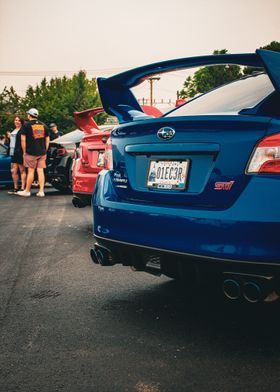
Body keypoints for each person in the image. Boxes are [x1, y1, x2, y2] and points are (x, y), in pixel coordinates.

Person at [17, 108, 50, 197]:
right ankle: (41, 191)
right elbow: (47, 140)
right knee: (40, 171)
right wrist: (45, 150)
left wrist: (24, 152)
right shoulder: (44, 125)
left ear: (29, 115)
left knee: (31, 171)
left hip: (31, 152)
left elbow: (23, 140)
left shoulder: (26, 125)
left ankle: (27, 191)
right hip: (42, 152)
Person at [8, 115, 26, 194]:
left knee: (22, 170)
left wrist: (24, 152)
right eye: (16, 120)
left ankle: (22, 188)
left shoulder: (22, 130)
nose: (17, 121)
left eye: (18, 120)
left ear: (21, 122)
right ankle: (15, 188)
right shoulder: (14, 130)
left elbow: (23, 141)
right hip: (12, 152)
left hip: (19, 152)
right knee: (13, 171)